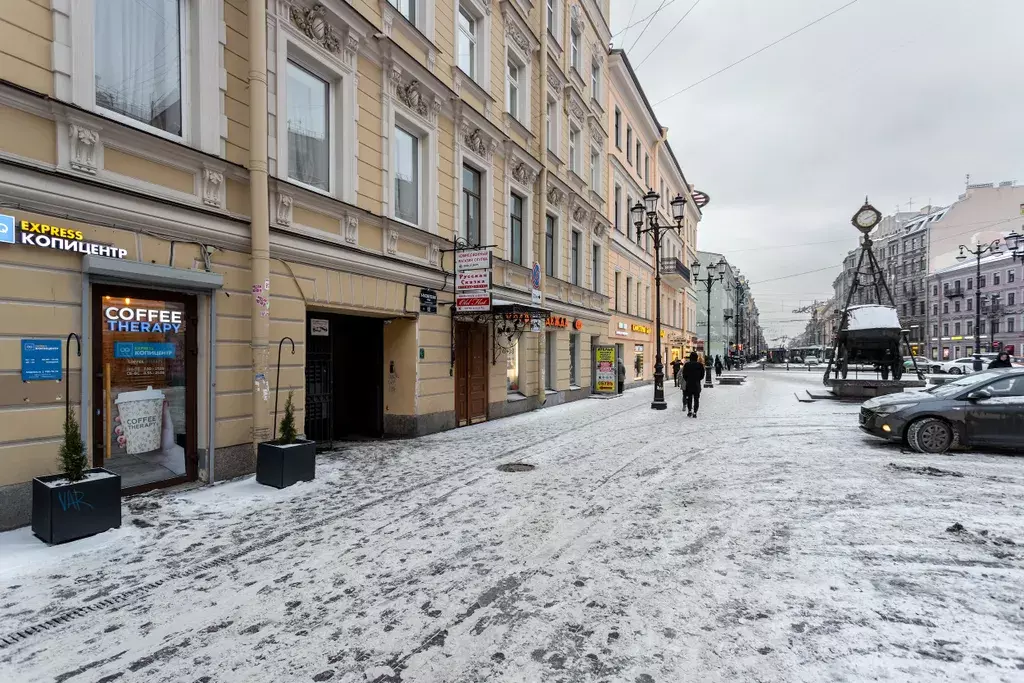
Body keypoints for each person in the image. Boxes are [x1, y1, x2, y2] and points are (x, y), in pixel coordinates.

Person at [682, 352, 705, 418]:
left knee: (689, 398)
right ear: (696, 357)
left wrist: (688, 380)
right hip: (696, 384)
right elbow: (702, 375)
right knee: (696, 399)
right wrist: (698, 379)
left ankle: (689, 411)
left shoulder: (687, 365)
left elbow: (684, 375)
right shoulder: (700, 365)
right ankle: (695, 412)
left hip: (689, 384)